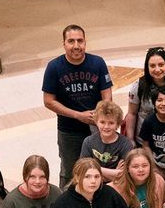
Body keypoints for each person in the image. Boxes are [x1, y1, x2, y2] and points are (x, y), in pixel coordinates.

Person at [43, 24, 113, 189]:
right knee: (69, 171)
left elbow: (107, 94)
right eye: (71, 41)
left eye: (80, 41)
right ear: (64, 44)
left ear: (85, 42)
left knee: (100, 171)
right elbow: (48, 100)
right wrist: (77, 115)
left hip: (97, 128)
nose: (76, 46)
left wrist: (100, 114)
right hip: (69, 131)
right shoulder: (54, 67)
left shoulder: (98, 63)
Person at [80, 99, 135, 182]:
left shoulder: (126, 144)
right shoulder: (88, 142)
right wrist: (114, 173)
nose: (106, 127)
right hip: (93, 184)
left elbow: (124, 175)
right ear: (96, 122)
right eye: (102, 122)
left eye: (111, 123)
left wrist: (94, 168)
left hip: (118, 187)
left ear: (118, 124)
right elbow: (83, 170)